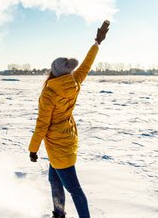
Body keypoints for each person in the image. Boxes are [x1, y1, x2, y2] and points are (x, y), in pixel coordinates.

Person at [28, 21, 110, 218]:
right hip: (66, 138)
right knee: (54, 180)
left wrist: (33, 149)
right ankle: (59, 212)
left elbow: (42, 124)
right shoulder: (74, 80)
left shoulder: (49, 93)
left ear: (53, 71)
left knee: (74, 189)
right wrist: (97, 42)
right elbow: (86, 65)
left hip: (58, 145)